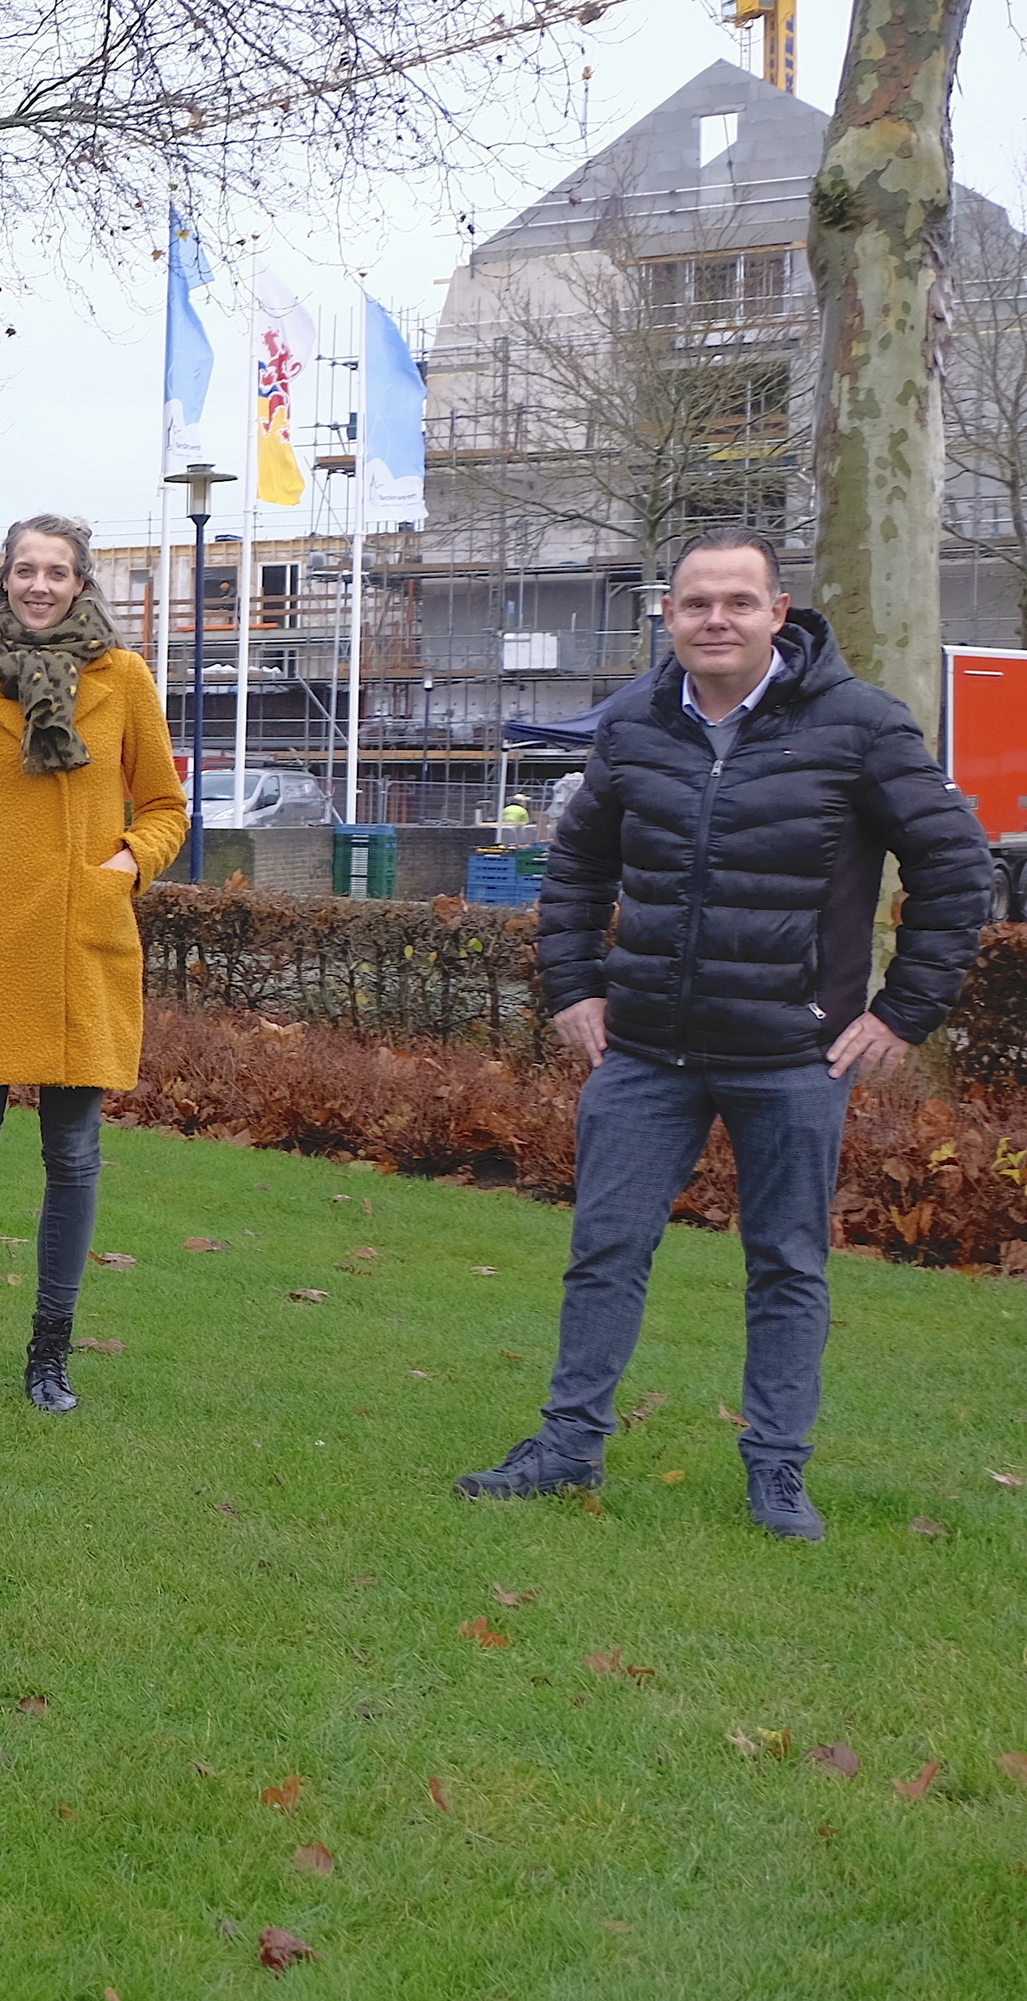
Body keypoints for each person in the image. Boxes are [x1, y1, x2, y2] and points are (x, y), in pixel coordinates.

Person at [457, 529, 988, 1540]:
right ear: (669, 616)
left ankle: (777, 1473)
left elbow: (957, 867)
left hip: (793, 1058)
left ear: (777, 614)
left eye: (738, 602)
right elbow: (576, 871)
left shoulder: (861, 726)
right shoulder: (635, 725)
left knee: (788, 1264)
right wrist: (574, 986)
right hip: (646, 1052)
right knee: (604, 1251)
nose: (716, 619)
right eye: (696, 602)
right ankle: (568, 1447)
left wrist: (903, 1012)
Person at [0, 514, 191, 1411]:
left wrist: (126, 864)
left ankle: (49, 1357)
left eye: (58, 572)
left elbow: (168, 806)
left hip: (78, 949)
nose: (40, 585)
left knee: (75, 1154)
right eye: (26, 569)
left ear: (81, 581)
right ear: (4, 578)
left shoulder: (123, 677)